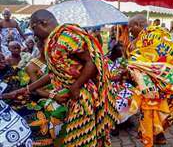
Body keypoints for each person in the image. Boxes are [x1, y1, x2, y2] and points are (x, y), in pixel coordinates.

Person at [2, 9, 118, 147]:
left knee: (83, 137)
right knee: (85, 136)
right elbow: (53, 74)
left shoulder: (65, 37)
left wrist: (75, 86)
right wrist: (25, 89)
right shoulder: (53, 42)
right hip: (75, 95)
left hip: (85, 94)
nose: (33, 33)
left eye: (33, 28)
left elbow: (92, 62)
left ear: (42, 23)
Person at [127, 14, 173, 147]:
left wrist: (132, 58)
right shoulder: (162, 33)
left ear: (137, 25)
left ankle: (150, 139)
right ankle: (159, 136)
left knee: (151, 108)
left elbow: (140, 61)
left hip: (157, 83)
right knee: (161, 108)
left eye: (130, 27)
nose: (129, 31)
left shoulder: (146, 38)